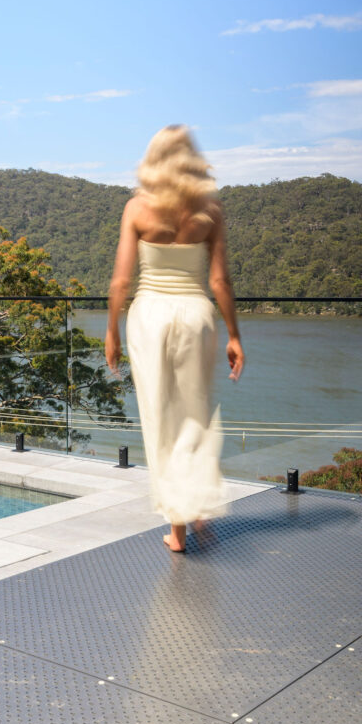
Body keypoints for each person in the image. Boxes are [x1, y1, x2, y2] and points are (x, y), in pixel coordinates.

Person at [105, 125, 244, 552]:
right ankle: (197, 508)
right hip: (197, 316)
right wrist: (235, 335)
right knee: (194, 414)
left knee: (160, 418)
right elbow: (219, 281)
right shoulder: (210, 211)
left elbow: (121, 282)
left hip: (149, 318)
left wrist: (110, 332)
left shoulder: (138, 208)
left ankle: (177, 529)